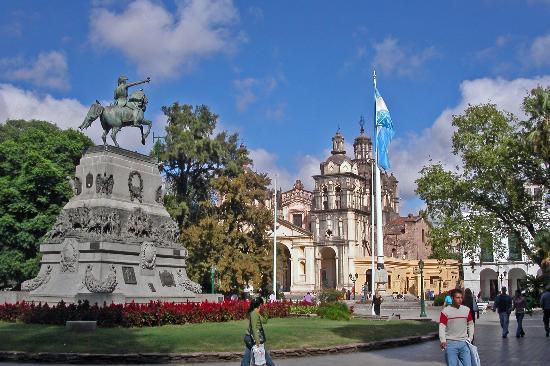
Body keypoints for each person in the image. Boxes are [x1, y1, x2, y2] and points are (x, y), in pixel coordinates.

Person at [439, 288, 475, 366]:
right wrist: (443, 340)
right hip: (451, 344)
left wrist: (470, 338)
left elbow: (471, 324)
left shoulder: (466, 310)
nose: (460, 300)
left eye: (461, 298)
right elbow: (442, 326)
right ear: (452, 298)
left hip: (464, 343)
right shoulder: (445, 311)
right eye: (457, 298)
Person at [241, 297, 275, 366]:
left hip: (249, 337)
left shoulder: (256, 313)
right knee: (265, 356)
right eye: (262, 304)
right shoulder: (254, 313)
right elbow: (254, 328)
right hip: (253, 337)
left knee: (247, 357)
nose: (263, 305)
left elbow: (265, 321)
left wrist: (265, 310)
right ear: (260, 305)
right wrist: (257, 342)